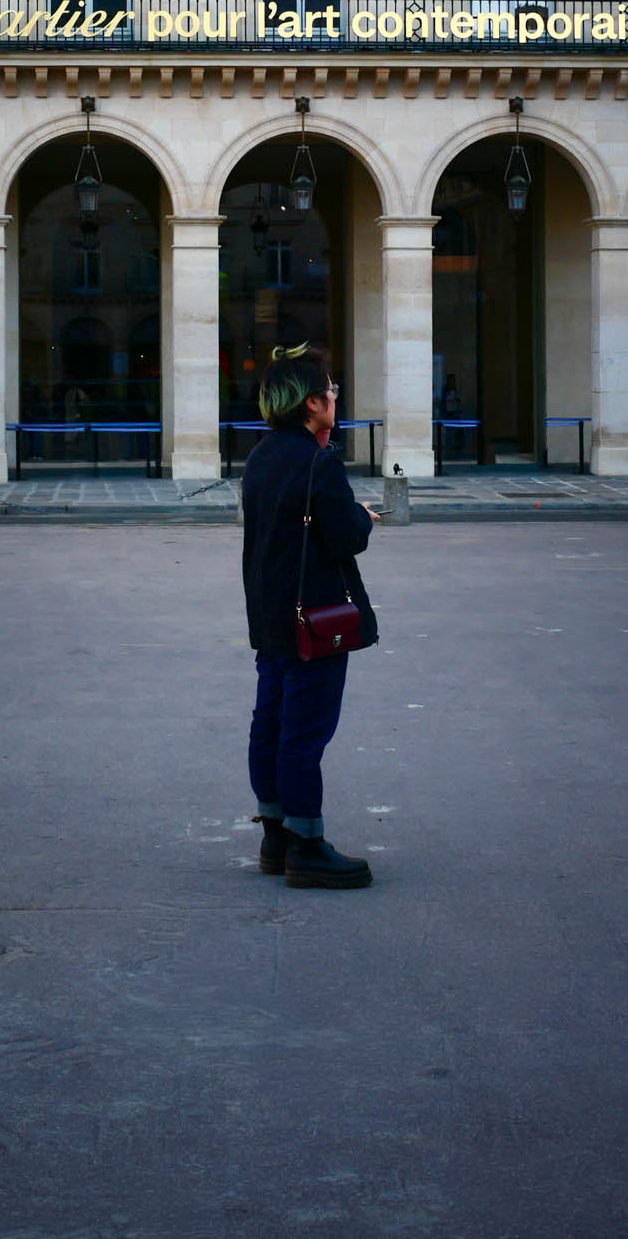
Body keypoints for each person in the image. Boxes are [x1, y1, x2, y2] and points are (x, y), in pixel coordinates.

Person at [241, 343, 379, 889]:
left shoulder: (261, 456)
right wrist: (363, 517)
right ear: (312, 403)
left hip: (272, 616)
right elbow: (345, 534)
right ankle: (307, 845)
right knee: (305, 732)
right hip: (316, 620)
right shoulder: (318, 462)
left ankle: (275, 834)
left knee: (270, 724)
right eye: (330, 389)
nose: (335, 397)